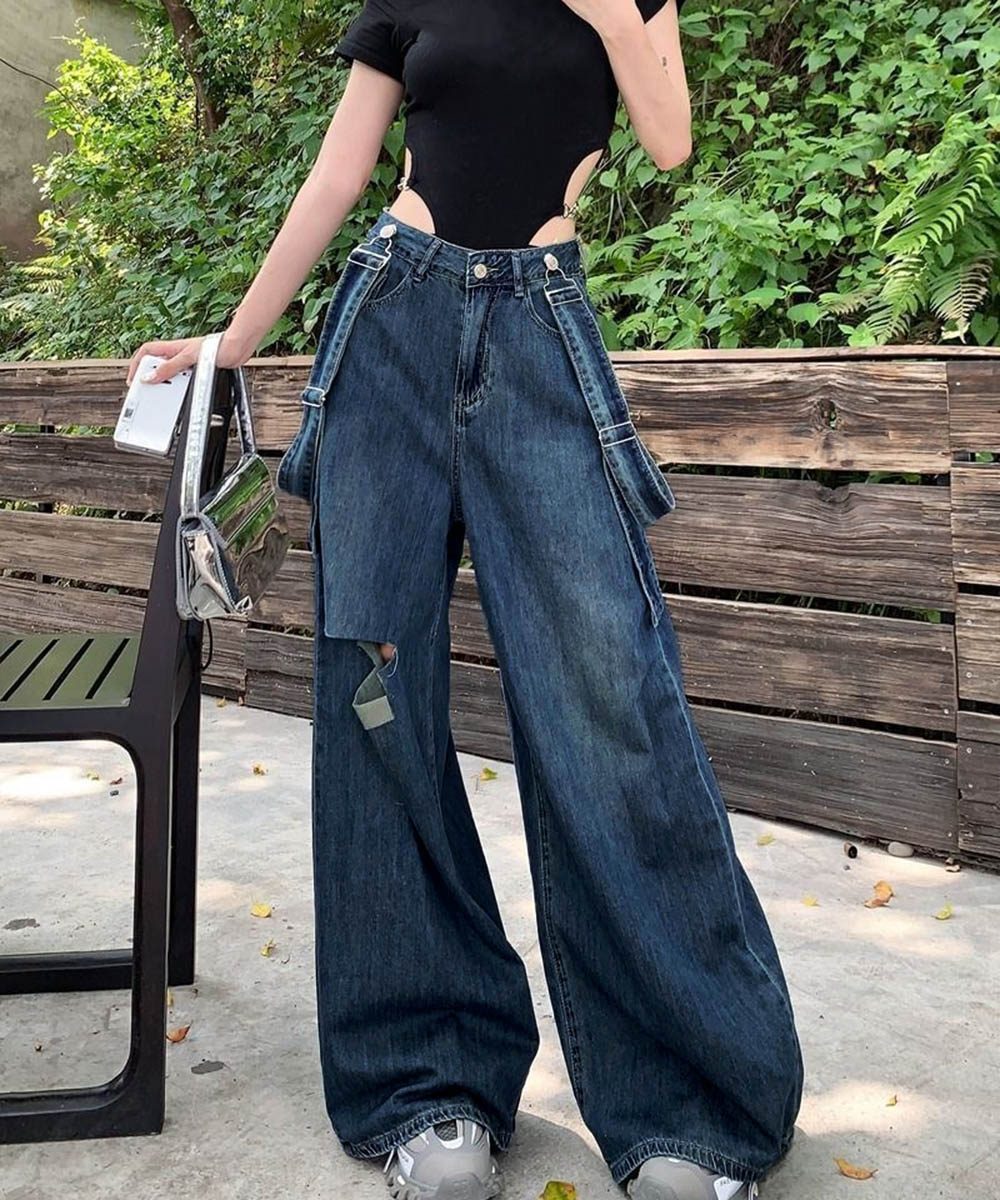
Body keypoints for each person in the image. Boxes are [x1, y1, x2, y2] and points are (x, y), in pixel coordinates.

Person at [127, 2, 804, 1197]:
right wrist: (232, 340)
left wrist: (610, 12)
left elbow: (669, 140)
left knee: (610, 707)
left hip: (541, 327)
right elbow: (341, 173)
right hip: (391, 322)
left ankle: (689, 1101)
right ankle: (425, 1082)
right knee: (377, 701)